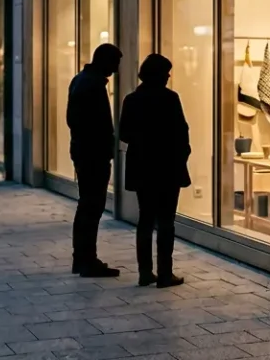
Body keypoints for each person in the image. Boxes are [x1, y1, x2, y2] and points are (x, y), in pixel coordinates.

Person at [119, 54, 191, 288]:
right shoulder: (170, 99)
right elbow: (182, 133)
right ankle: (165, 272)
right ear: (159, 75)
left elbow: (124, 135)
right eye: (166, 72)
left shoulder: (131, 100)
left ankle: (145, 272)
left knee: (146, 219)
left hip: (142, 167)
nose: (169, 77)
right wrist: (181, 155)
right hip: (167, 167)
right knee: (166, 221)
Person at [65, 42, 122, 277]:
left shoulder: (81, 80)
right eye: (115, 63)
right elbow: (90, 122)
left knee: (87, 205)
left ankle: (83, 258)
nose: (117, 69)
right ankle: (86, 259)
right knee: (91, 206)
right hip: (92, 154)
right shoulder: (92, 84)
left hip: (85, 151)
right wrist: (103, 146)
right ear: (105, 61)